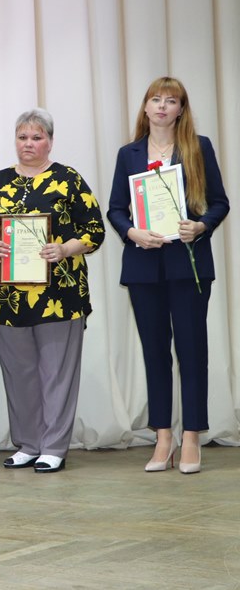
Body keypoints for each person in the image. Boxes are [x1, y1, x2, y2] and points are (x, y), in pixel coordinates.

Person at [106, 76, 229, 474]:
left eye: (170, 100)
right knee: (154, 353)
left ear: (180, 109)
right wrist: (132, 233)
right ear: (145, 107)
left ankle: (191, 436)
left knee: (192, 352)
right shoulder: (128, 154)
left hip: (188, 265)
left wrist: (201, 226)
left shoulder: (198, 146)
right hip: (143, 267)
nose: (161, 106)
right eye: (155, 99)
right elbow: (116, 209)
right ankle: (163, 436)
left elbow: (220, 202)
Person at [0, 108, 105, 473]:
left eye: (37, 137)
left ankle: (54, 446)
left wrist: (64, 249)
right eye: (22, 137)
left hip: (59, 295)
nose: (28, 144)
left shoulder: (68, 179)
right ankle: (29, 444)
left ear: (50, 141)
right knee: (19, 374)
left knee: (56, 373)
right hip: (7, 298)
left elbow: (94, 231)